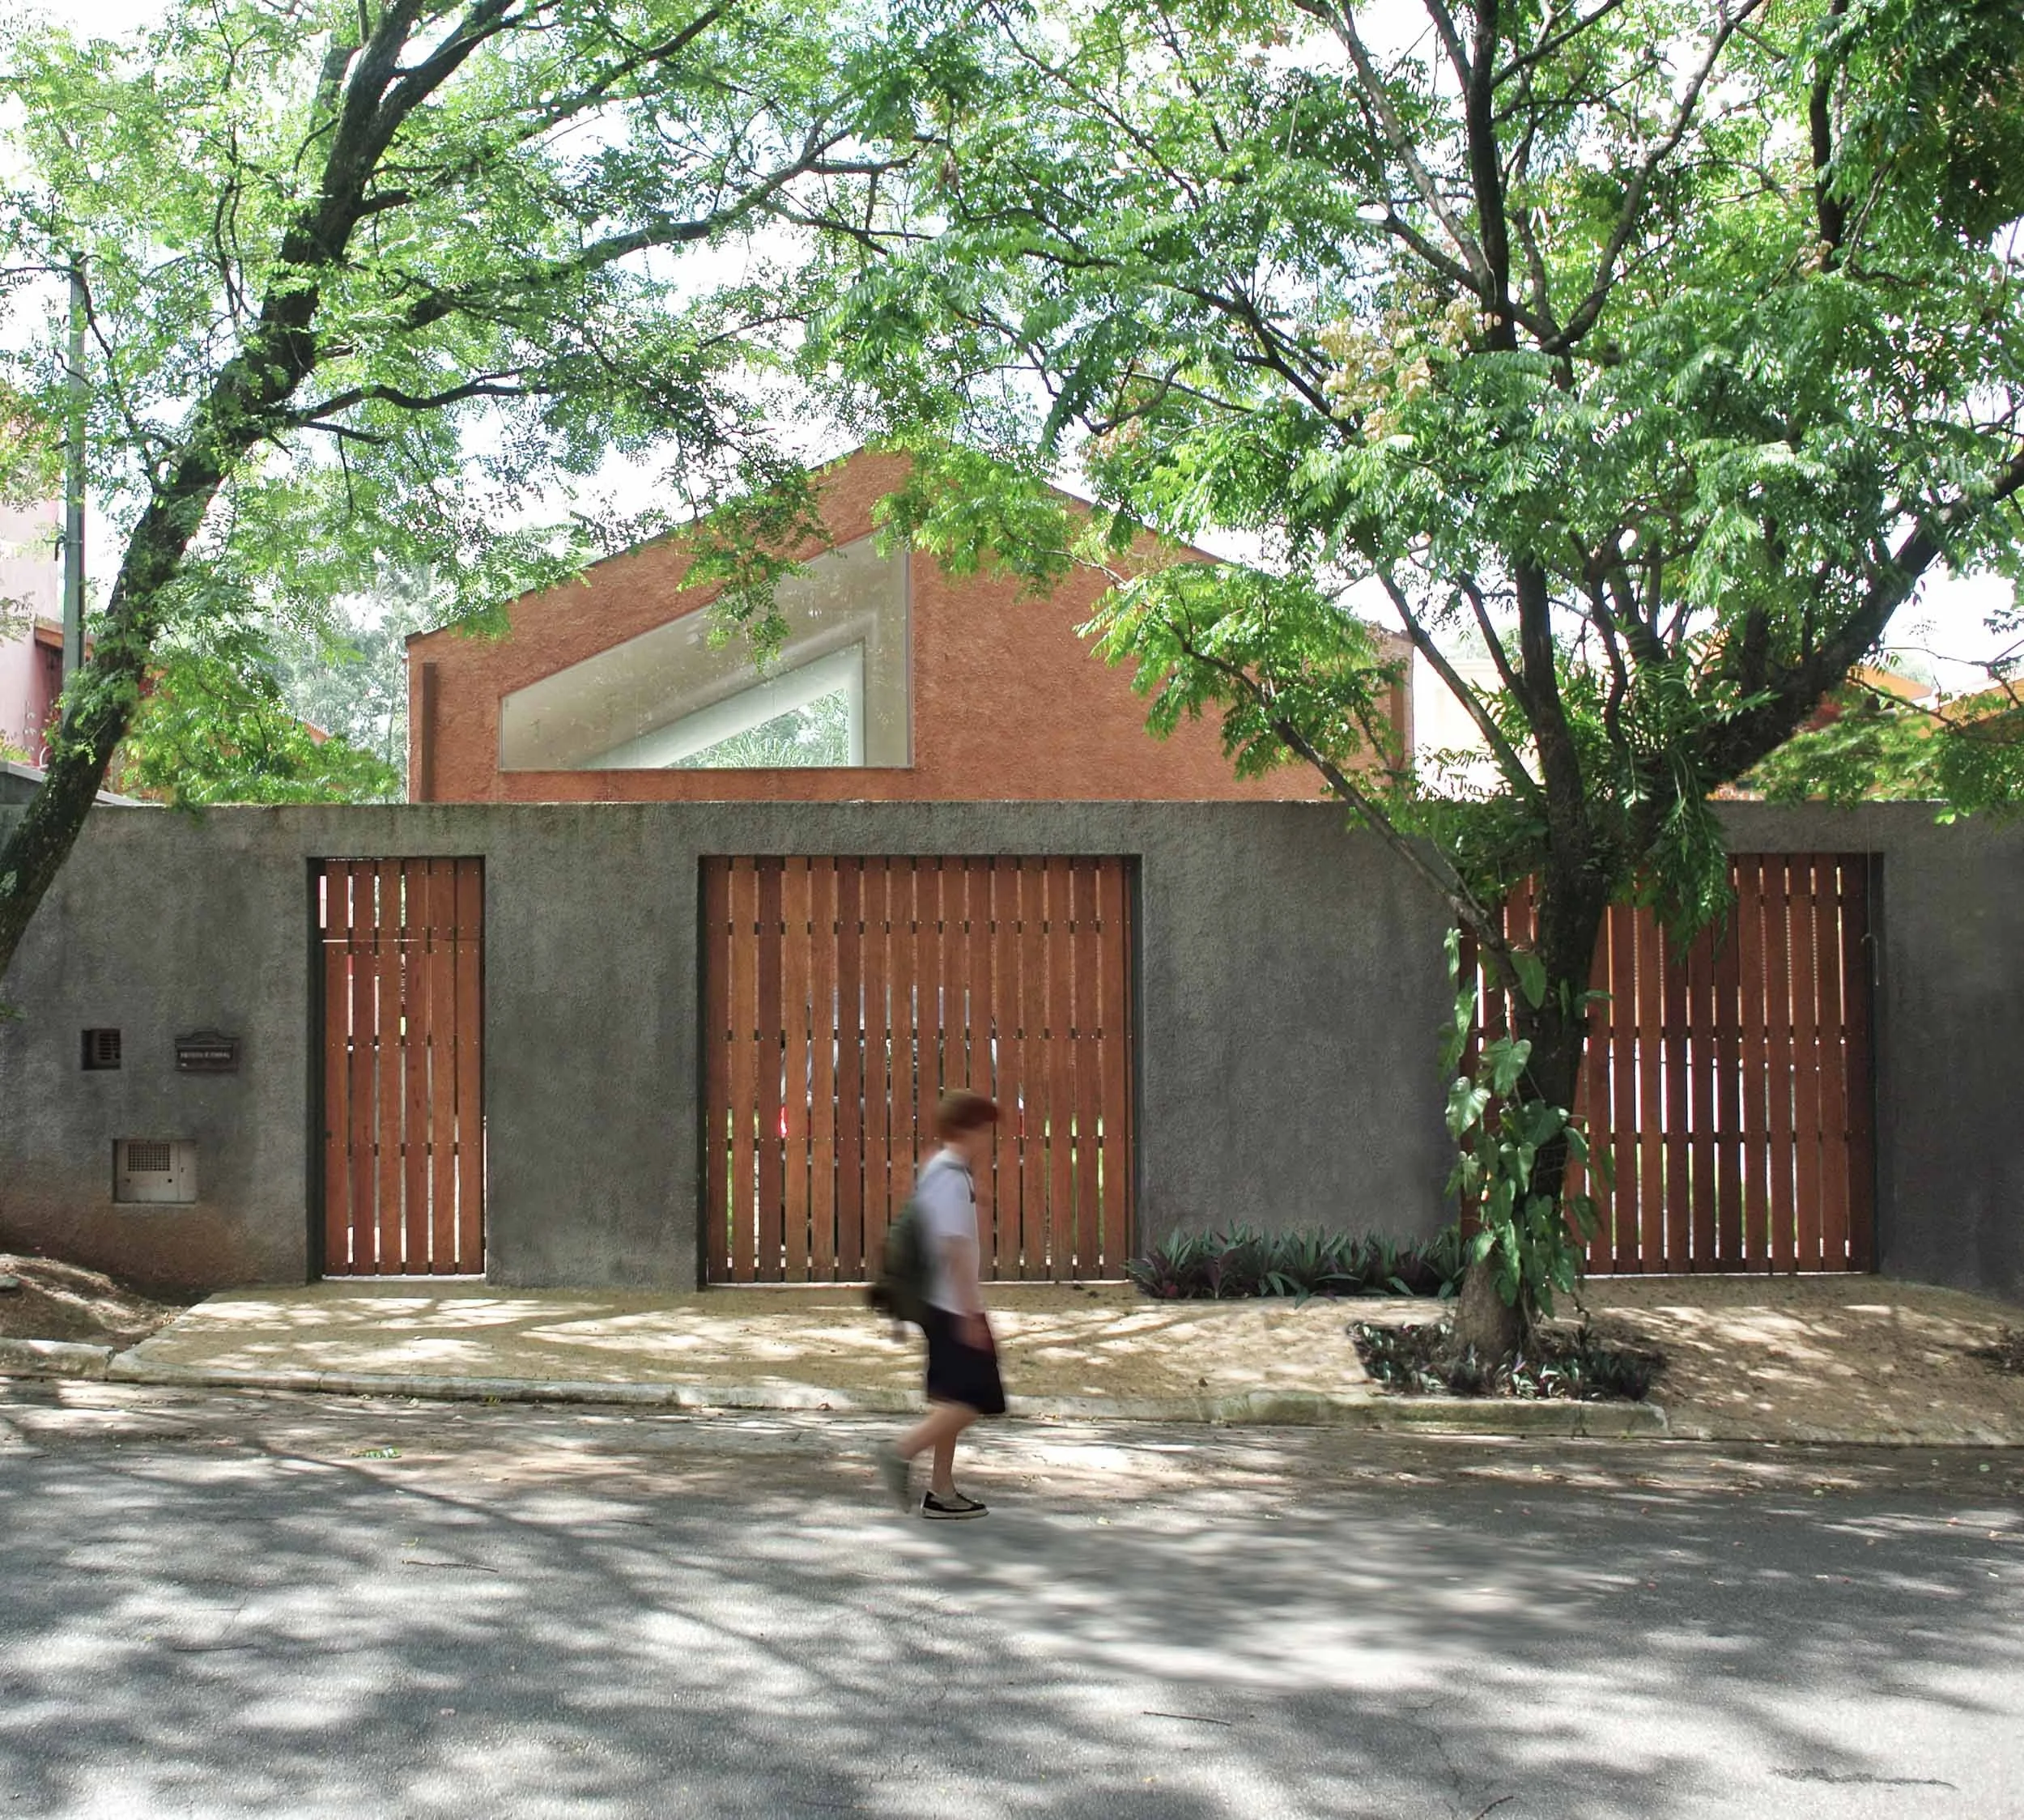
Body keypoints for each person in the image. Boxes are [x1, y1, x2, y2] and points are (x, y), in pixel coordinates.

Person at [881, 1089, 1006, 1520]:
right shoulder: (952, 1179)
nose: (989, 1138)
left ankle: (941, 1491)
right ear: (967, 1130)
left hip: (940, 1303)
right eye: (985, 1129)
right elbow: (954, 1249)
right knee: (973, 1398)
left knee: (952, 1397)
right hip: (954, 1306)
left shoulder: (939, 1169)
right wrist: (971, 1314)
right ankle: (901, 1452)